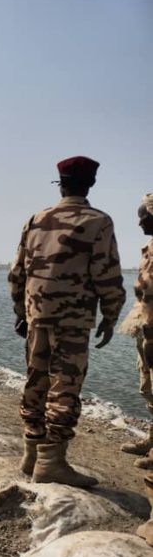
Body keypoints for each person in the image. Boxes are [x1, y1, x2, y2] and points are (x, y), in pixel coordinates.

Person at [8, 156, 125, 487]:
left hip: (37, 315)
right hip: (72, 320)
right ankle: (51, 462)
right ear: (91, 184)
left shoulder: (36, 219)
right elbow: (106, 272)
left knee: (35, 380)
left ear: (60, 183)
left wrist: (21, 311)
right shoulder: (98, 222)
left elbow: (17, 272)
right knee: (65, 386)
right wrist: (111, 314)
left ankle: (31, 455)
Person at [120, 193, 153, 469]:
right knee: (148, 387)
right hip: (146, 326)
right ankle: (152, 441)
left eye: (143, 217)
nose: (140, 223)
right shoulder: (149, 246)